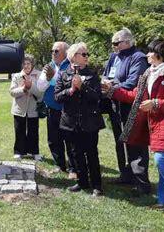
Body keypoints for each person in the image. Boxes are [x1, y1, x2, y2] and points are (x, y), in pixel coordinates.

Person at [104, 40, 164, 213]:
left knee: (162, 160)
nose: (147, 55)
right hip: (156, 124)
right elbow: (134, 96)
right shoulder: (148, 73)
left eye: (151, 52)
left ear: (161, 55)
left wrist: (156, 103)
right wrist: (112, 90)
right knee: (161, 163)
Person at [102, 28, 151, 195]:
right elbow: (105, 75)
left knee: (135, 144)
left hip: (131, 107)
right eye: (113, 43)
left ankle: (141, 182)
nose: (114, 46)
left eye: (117, 43)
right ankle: (125, 175)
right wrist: (106, 83)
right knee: (120, 142)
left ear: (128, 42)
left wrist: (112, 85)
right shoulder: (114, 57)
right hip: (115, 104)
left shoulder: (138, 58)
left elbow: (132, 82)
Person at [55, 42, 105, 197]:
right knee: (76, 153)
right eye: (84, 54)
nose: (87, 57)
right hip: (70, 122)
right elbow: (57, 96)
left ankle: (96, 185)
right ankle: (82, 181)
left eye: (87, 54)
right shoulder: (64, 74)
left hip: (89, 122)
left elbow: (97, 97)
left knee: (91, 153)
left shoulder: (92, 75)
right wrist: (70, 90)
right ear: (74, 57)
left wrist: (83, 86)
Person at [38, 41, 77, 179]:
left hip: (67, 109)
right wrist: (49, 77)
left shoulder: (71, 65)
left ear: (66, 53)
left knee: (70, 140)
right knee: (54, 139)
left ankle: (74, 169)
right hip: (52, 108)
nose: (53, 53)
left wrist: (53, 76)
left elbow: (67, 82)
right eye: (52, 51)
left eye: (56, 51)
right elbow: (40, 87)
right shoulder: (50, 65)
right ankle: (60, 165)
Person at [9, 54, 44, 161]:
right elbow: (12, 92)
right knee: (19, 131)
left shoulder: (39, 75)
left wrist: (31, 87)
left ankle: (34, 152)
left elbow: (40, 93)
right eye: (24, 63)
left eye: (28, 63)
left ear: (32, 64)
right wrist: (24, 89)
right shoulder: (16, 76)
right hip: (19, 109)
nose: (26, 66)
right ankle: (19, 152)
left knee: (33, 132)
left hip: (33, 109)